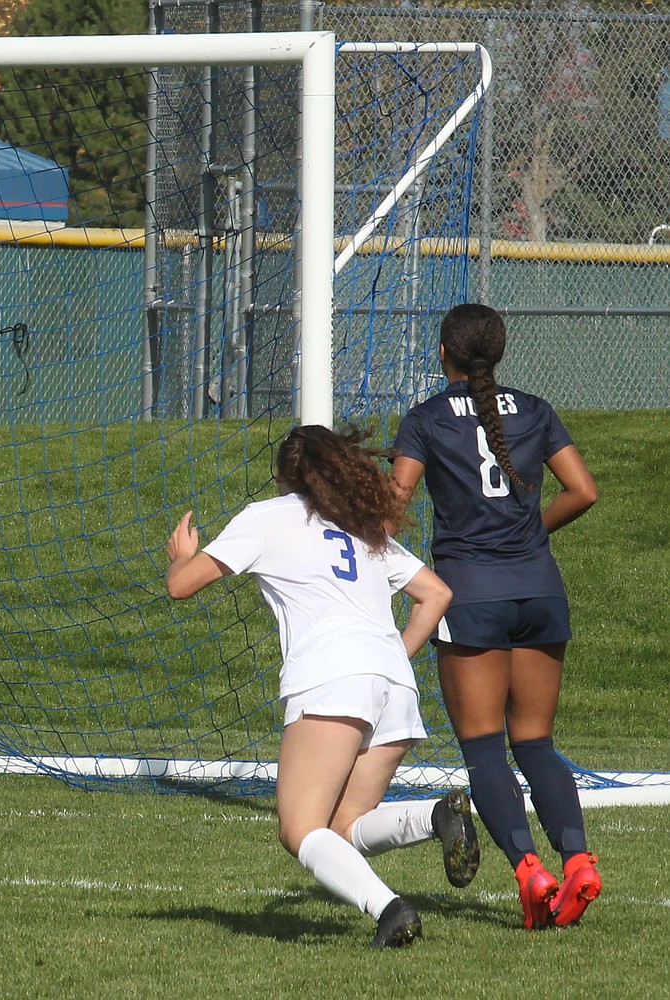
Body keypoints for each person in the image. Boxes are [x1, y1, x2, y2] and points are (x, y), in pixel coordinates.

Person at [166, 423, 476, 949]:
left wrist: (181, 555)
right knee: (343, 825)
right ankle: (435, 814)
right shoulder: (362, 528)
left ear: (285, 476)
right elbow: (437, 595)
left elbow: (181, 586)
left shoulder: (267, 517)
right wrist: (388, 659)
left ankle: (391, 910)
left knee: (299, 829)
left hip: (333, 676)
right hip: (392, 683)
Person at [392, 303, 600, 929]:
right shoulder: (535, 409)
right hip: (540, 588)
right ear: (500, 353)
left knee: (483, 748)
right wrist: (526, 536)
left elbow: (396, 501)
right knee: (535, 741)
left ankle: (530, 872)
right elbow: (583, 490)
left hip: (471, 593)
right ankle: (581, 863)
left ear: (442, 353)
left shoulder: (425, 420)